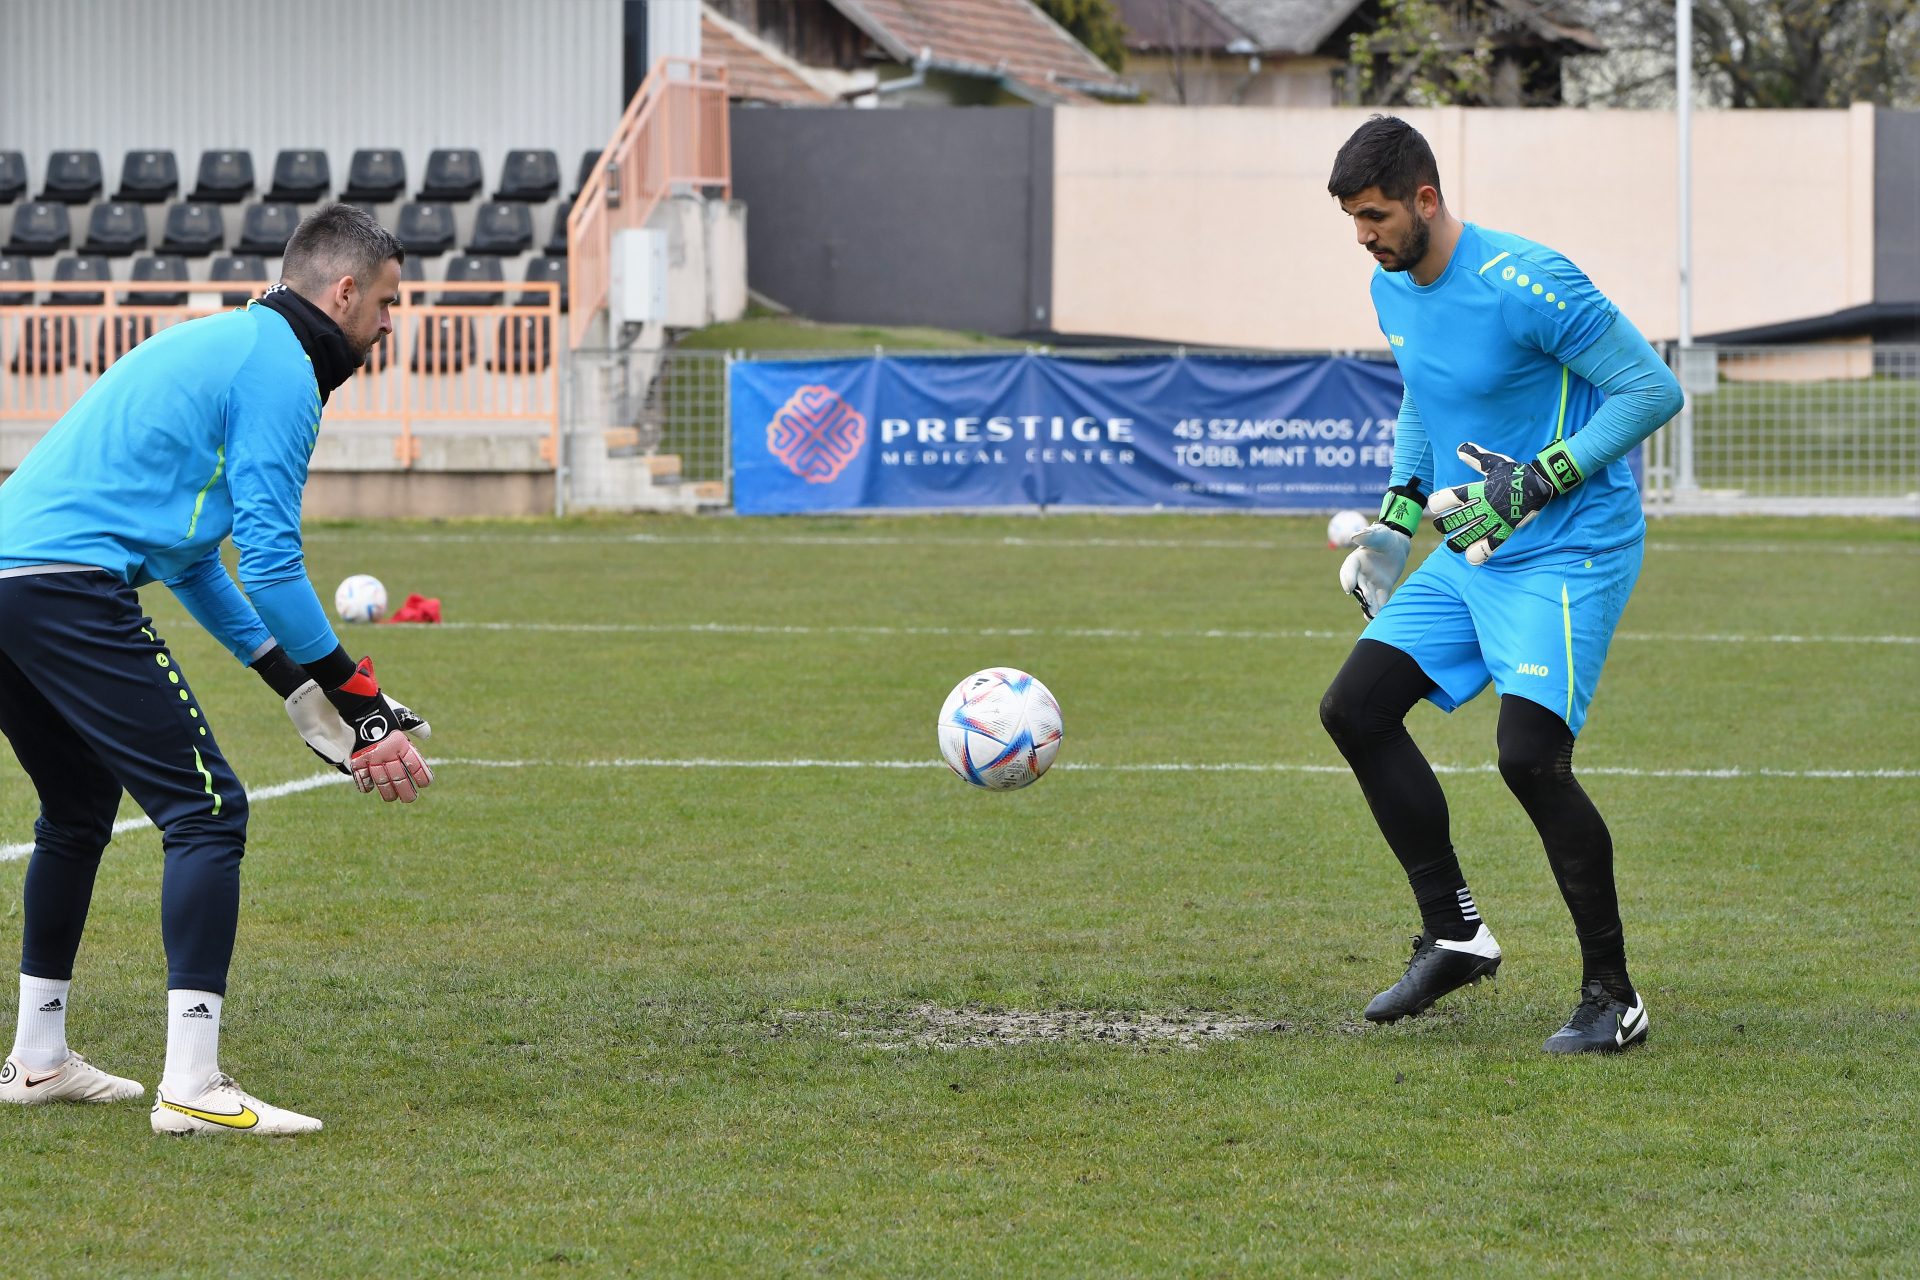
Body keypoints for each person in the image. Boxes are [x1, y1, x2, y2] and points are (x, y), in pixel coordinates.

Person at [0, 204, 434, 1132]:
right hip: (65, 586)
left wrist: (300, 690)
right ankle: (192, 1087)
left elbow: (194, 560)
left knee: (76, 809)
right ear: (344, 293)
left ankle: (38, 1060)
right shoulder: (282, 368)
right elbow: (271, 566)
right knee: (207, 813)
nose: (390, 324)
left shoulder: (235, 341)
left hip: (13, 584)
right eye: (387, 303)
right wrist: (359, 702)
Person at [1318, 117, 1683, 1053]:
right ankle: (1454, 933)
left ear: (1426, 199)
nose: (1363, 236)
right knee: (1355, 708)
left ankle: (1614, 997)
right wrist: (1396, 523)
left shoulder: (1530, 280)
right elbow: (1423, 395)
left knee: (1528, 757)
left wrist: (1536, 481)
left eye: (1374, 215)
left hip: (1573, 547)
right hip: (1475, 546)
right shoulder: (1389, 285)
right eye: (1353, 219)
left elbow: (1652, 392)